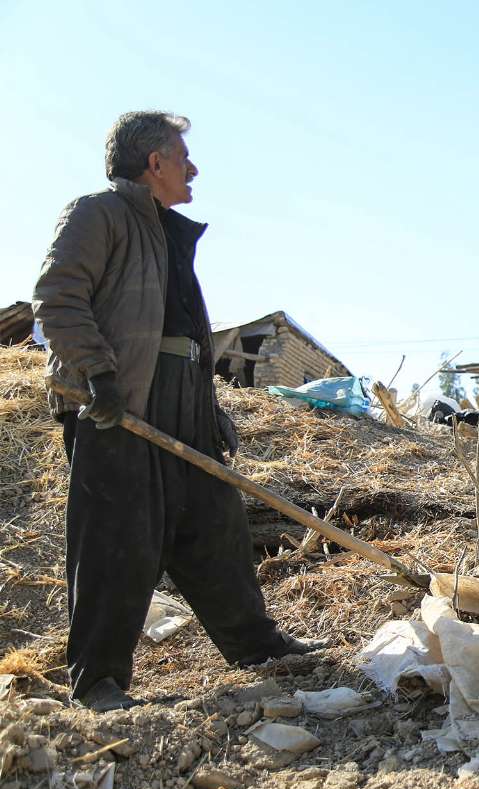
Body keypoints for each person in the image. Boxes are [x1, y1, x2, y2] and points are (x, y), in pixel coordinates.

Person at [32, 111, 327, 712]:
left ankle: (257, 646)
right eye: (182, 156)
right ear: (153, 162)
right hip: (119, 403)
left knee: (213, 524)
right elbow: (57, 297)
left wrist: (205, 405)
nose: (193, 169)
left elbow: (182, 330)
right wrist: (99, 374)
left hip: (180, 395)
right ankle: (98, 681)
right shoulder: (99, 213)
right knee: (118, 537)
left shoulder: (169, 232)